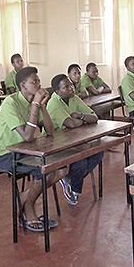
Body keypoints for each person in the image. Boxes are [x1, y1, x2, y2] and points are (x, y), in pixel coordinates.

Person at [0, 67, 67, 231]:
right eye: (34, 82)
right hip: (4, 153)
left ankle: (23, 199)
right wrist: (36, 105)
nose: (39, 85)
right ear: (23, 86)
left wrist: (43, 107)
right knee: (41, 170)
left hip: (25, 151)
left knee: (61, 169)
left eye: (38, 81)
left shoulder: (34, 102)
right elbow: (27, 136)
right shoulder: (11, 103)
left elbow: (50, 131)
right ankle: (29, 206)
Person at [47, 74, 104, 205]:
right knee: (81, 161)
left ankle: (69, 179)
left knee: (98, 153)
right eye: (66, 87)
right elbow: (70, 124)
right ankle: (73, 185)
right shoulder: (54, 103)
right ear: (57, 92)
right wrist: (82, 121)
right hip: (55, 143)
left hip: (74, 139)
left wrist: (80, 115)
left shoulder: (74, 98)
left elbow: (94, 117)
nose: (71, 88)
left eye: (71, 85)